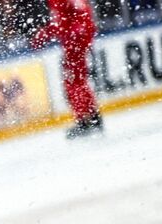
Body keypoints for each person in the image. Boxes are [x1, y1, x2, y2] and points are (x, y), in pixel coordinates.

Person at [30, 0, 102, 138]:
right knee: (78, 79)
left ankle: (84, 119)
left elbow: (65, 20)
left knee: (73, 81)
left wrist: (44, 35)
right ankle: (92, 116)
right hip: (78, 38)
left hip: (75, 39)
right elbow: (73, 17)